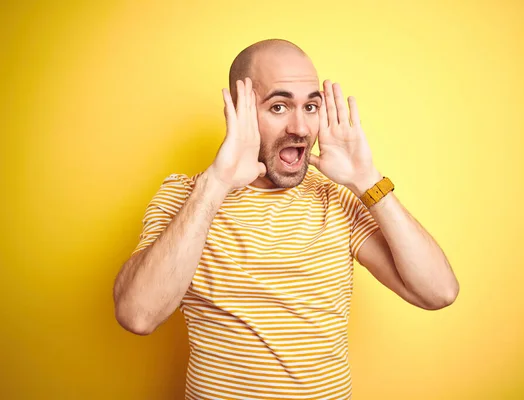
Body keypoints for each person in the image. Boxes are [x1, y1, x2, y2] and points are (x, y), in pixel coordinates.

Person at [113, 39, 459, 400]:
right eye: (279, 106)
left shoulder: (336, 197)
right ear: (238, 111)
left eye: (311, 106)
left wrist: (367, 180)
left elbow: (438, 292)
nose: (301, 128)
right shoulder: (188, 197)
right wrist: (217, 183)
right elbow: (138, 315)